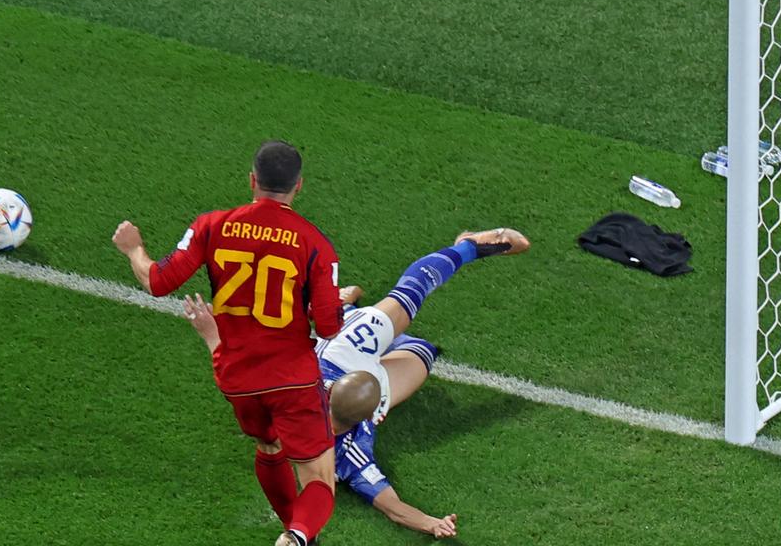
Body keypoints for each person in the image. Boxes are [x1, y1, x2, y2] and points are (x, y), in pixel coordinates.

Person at [183, 227, 530, 540]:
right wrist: (430, 522)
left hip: (343, 349)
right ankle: (349, 305)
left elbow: (243, 375)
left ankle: (342, 307)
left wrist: (213, 333)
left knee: (340, 320)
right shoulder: (350, 450)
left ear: (332, 390)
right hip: (353, 353)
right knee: (420, 348)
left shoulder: (313, 408)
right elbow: (391, 505)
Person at [113, 140, 343, 546]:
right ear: (299, 186)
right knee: (320, 479)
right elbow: (327, 328)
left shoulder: (213, 225)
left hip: (237, 376)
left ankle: (295, 532)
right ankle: (297, 535)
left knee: (268, 444)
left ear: (252, 180)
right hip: (291, 378)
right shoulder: (315, 244)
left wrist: (134, 249)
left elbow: (158, 281)